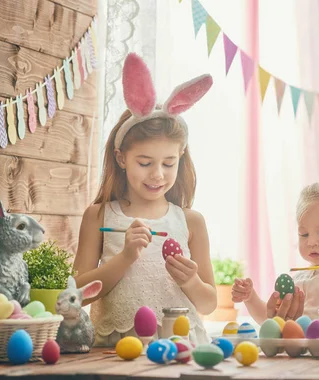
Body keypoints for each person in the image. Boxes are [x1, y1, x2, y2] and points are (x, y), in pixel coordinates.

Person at [72, 53, 216, 346]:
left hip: (181, 346)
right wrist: (126, 257)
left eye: (168, 163)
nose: (157, 175)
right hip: (117, 350)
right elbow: (75, 293)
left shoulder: (191, 221)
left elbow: (209, 303)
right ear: (121, 157)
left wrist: (190, 280)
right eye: (145, 162)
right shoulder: (98, 216)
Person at [232, 181, 319, 339]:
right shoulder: (300, 279)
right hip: (300, 355)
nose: (311, 242)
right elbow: (271, 322)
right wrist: (250, 298)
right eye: (304, 234)